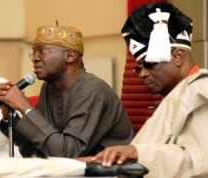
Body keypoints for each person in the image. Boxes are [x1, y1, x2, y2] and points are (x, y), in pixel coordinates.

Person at [81, 2, 208, 178]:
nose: (142, 74)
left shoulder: (201, 89)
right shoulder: (177, 94)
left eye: (149, 64)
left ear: (177, 56)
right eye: (138, 68)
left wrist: (136, 153)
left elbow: (198, 162)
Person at [0, 22, 134, 158]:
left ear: (70, 56)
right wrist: (10, 117)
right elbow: (39, 150)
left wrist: (24, 105)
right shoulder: (49, 88)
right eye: (34, 53)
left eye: (42, 52)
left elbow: (67, 154)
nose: (35, 58)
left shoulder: (92, 91)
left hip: (109, 172)